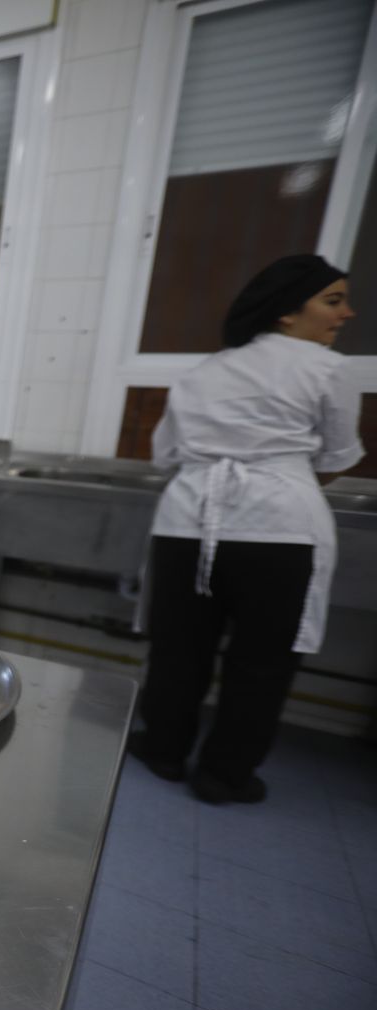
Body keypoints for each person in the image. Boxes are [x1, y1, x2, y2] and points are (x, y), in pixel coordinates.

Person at [128, 254, 365, 804]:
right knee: (261, 663)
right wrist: (277, 476)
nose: (347, 313)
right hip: (279, 531)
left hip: (187, 522)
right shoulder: (328, 369)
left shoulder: (203, 371)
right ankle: (224, 775)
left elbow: (166, 454)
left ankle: (163, 749)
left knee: (178, 650)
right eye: (333, 300)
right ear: (287, 313)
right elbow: (337, 456)